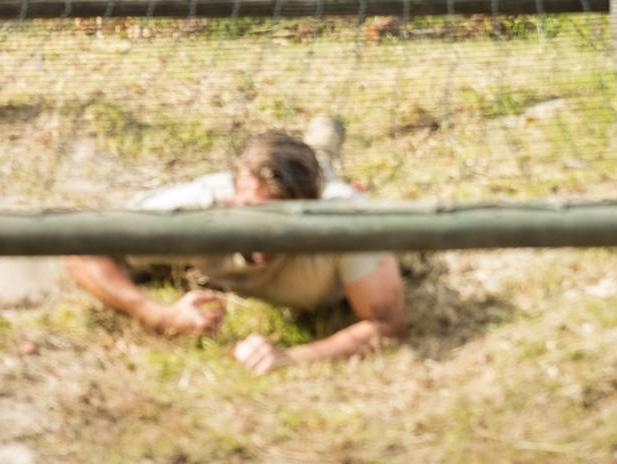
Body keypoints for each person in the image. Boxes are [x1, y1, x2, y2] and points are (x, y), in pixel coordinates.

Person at [64, 123, 406, 374]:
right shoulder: (197, 209)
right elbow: (79, 247)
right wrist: (157, 315)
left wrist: (292, 357)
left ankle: (323, 143)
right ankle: (319, 144)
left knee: (323, 170)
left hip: (328, 194)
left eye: (277, 219)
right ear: (234, 197)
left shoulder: (343, 224)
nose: (262, 232)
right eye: (252, 212)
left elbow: (388, 323)